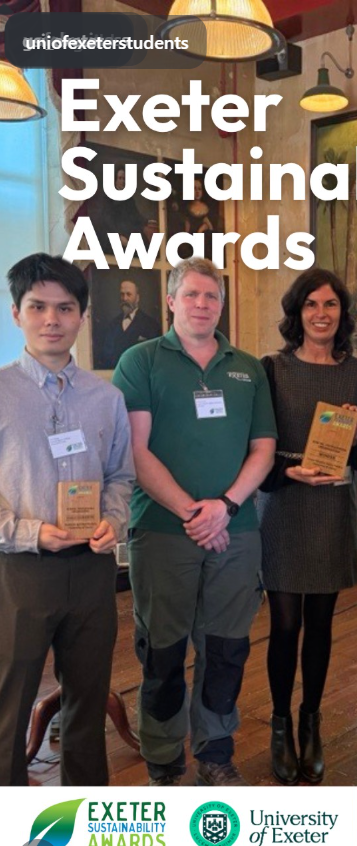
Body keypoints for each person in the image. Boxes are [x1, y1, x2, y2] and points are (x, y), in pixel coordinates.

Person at [112, 256, 277, 787]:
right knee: (162, 651)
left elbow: (264, 448)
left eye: (211, 296)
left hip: (236, 531)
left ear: (222, 304)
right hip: (163, 532)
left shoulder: (247, 368)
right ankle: (163, 759)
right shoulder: (140, 361)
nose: (202, 304)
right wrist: (194, 513)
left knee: (226, 650)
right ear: (171, 301)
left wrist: (224, 507)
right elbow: (135, 449)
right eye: (191, 295)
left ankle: (215, 752)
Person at [0, 253, 134, 785]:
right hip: (21, 571)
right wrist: (30, 533)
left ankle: (86, 814)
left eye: (65, 307)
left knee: (87, 702)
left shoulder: (107, 398)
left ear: (82, 315)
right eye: (38, 307)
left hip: (93, 568)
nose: (51, 319)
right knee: (9, 705)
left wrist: (114, 521)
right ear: (16, 313)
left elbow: (120, 475)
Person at [257, 268, 357, 786]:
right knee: (285, 625)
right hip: (284, 506)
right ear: (297, 312)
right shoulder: (271, 369)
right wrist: (288, 472)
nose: (321, 314)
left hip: (330, 508)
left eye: (330, 304)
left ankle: (312, 721)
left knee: (322, 624)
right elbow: (256, 443)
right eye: (311, 304)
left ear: (342, 314)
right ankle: (280, 723)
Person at [97, 279, 161, 369]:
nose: (125, 298)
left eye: (129, 294)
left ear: (137, 298)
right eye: (122, 294)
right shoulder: (112, 325)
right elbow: (106, 358)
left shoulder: (151, 325)